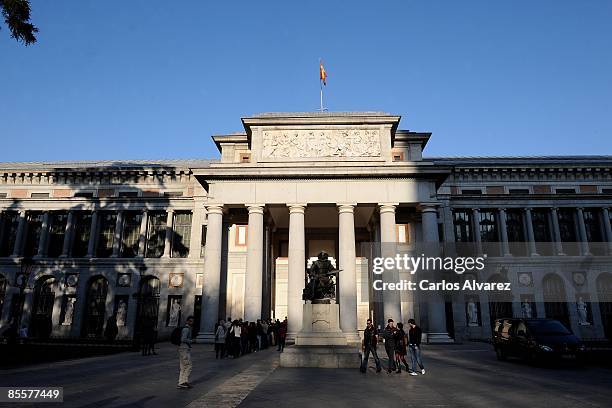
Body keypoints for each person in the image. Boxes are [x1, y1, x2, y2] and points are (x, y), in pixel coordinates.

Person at [177, 316, 194, 389]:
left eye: (192, 321)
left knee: (183, 366)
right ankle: (184, 381)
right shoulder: (186, 329)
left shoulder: (187, 329)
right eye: (190, 321)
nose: (191, 322)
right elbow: (183, 339)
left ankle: (181, 382)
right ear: (187, 321)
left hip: (182, 348)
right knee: (188, 365)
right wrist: (191, 341)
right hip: (184, 349)